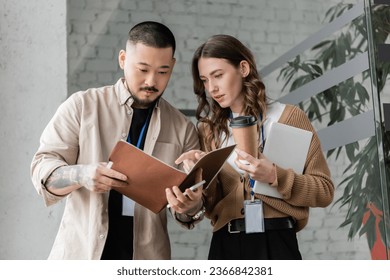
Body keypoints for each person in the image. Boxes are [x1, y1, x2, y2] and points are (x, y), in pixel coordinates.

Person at [30, 21, 201, 260]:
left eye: (163, 72)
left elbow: (188, 213)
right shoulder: (82, 106)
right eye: (142, 69)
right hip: (82, 256)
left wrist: (189, 205)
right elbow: (42, 170)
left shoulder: (183, 128)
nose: (152, 81)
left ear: (172, 66)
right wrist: (82, 174)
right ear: (122, 59)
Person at [166, 34, 334, 260]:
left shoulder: (289, 117)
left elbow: (324, 191)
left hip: (278, 244)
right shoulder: (209, 131)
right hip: (225, 246)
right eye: (205, 80)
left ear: (243, 68)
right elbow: (205, 204)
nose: (212, 88)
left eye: (218, 75)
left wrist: (275, 175)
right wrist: (192, 195)